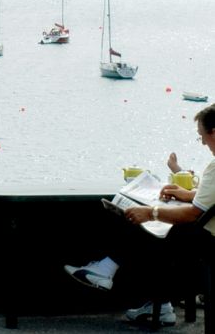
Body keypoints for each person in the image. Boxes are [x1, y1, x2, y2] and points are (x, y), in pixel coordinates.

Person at [63, 104, 215, 325]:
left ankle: (107, 272)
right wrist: (188, 193)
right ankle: (156, 303)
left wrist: (151, 212)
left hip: (206, 241)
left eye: (201, 135)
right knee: (155, 228)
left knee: (145, 227)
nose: (201, 142)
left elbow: (193, 215)